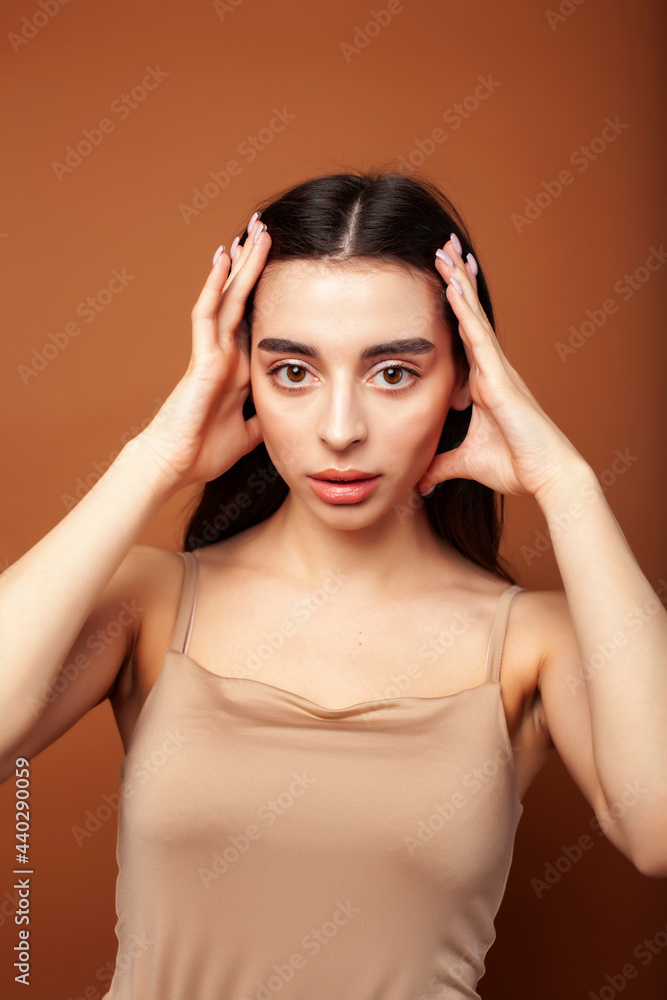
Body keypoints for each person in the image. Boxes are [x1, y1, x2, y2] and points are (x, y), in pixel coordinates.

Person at [1, 169, 665, 999]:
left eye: (392, 373)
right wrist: (154, 459)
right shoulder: (153, 603)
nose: (340, 430)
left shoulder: (533, 643)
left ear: (464, 381)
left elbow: (656, 827)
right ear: (242, 378)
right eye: (292, 372)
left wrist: (565, 482)